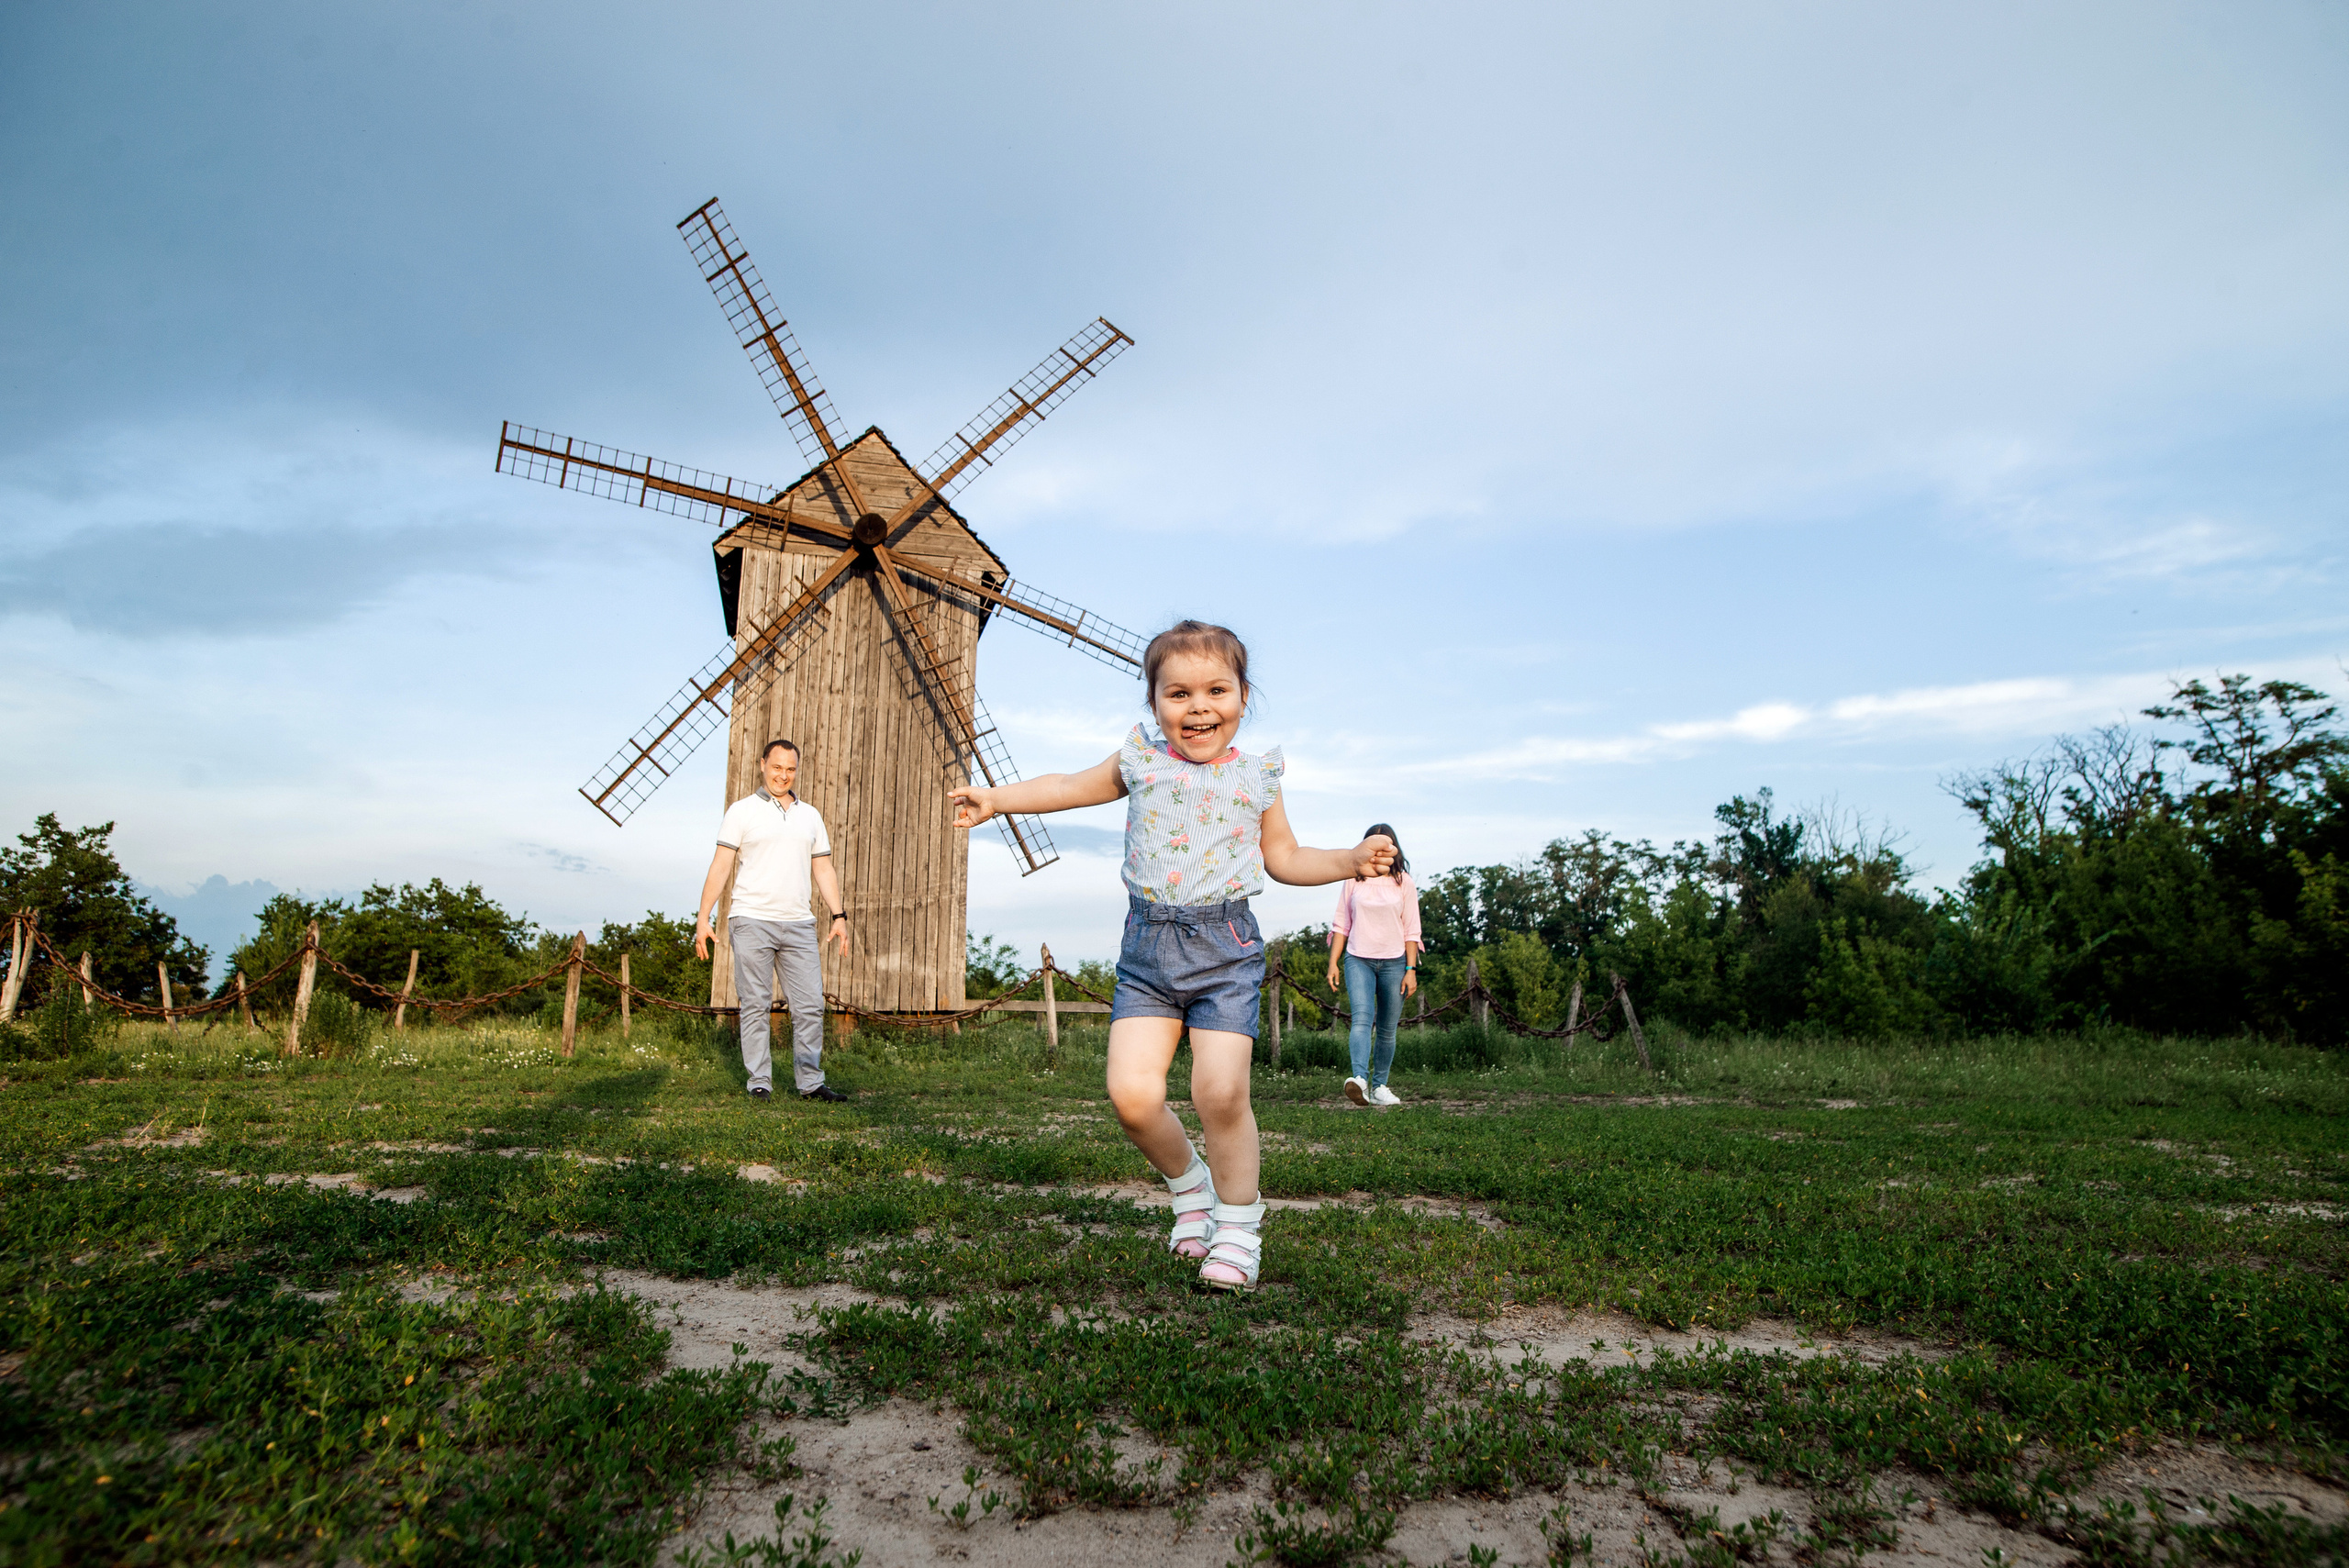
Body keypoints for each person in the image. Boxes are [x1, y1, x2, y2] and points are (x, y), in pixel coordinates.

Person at [949, 620, 1394, 1292]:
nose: (1198, 707)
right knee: (1131, 1096)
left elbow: (1285, 858)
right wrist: (996, 797)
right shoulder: (1140, 760)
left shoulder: (1256, 775)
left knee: (1219, 1091)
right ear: (1155, 703)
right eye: (1178, 693)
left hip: (1227, 948)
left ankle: (1238, 1228)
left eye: (1216, 690)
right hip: (1148, 949)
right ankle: (1191, 1189)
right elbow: (1068, 786)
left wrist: (1349, 861)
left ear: (1243, 696)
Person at [695, 740, 852, 1103]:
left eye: (790, 769)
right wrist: (703, 917)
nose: (783, 775)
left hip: (798, 922)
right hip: (751, 919)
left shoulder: (810, 815)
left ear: (797, 770)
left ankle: (811, 1083)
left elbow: (822, 867)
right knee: (755, 1003)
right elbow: (721, 865)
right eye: (777, 767)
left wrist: (839, 915)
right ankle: (759, 1082)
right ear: (763, 764)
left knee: (811, 1003)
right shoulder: (742, 811)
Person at [1324, 823, 1422, 1108]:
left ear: (1393, 849)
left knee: (1388, 1028)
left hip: (1395, 963)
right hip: (1358, 959)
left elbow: (1411, 930)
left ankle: (1380, 1086)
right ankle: (1360, 1081)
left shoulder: (1404, 882)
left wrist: (1411, 970)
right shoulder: (1353, 880)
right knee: (1362, 1020)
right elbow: (1342, 924)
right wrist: (1334, 963)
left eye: (1385, 846)